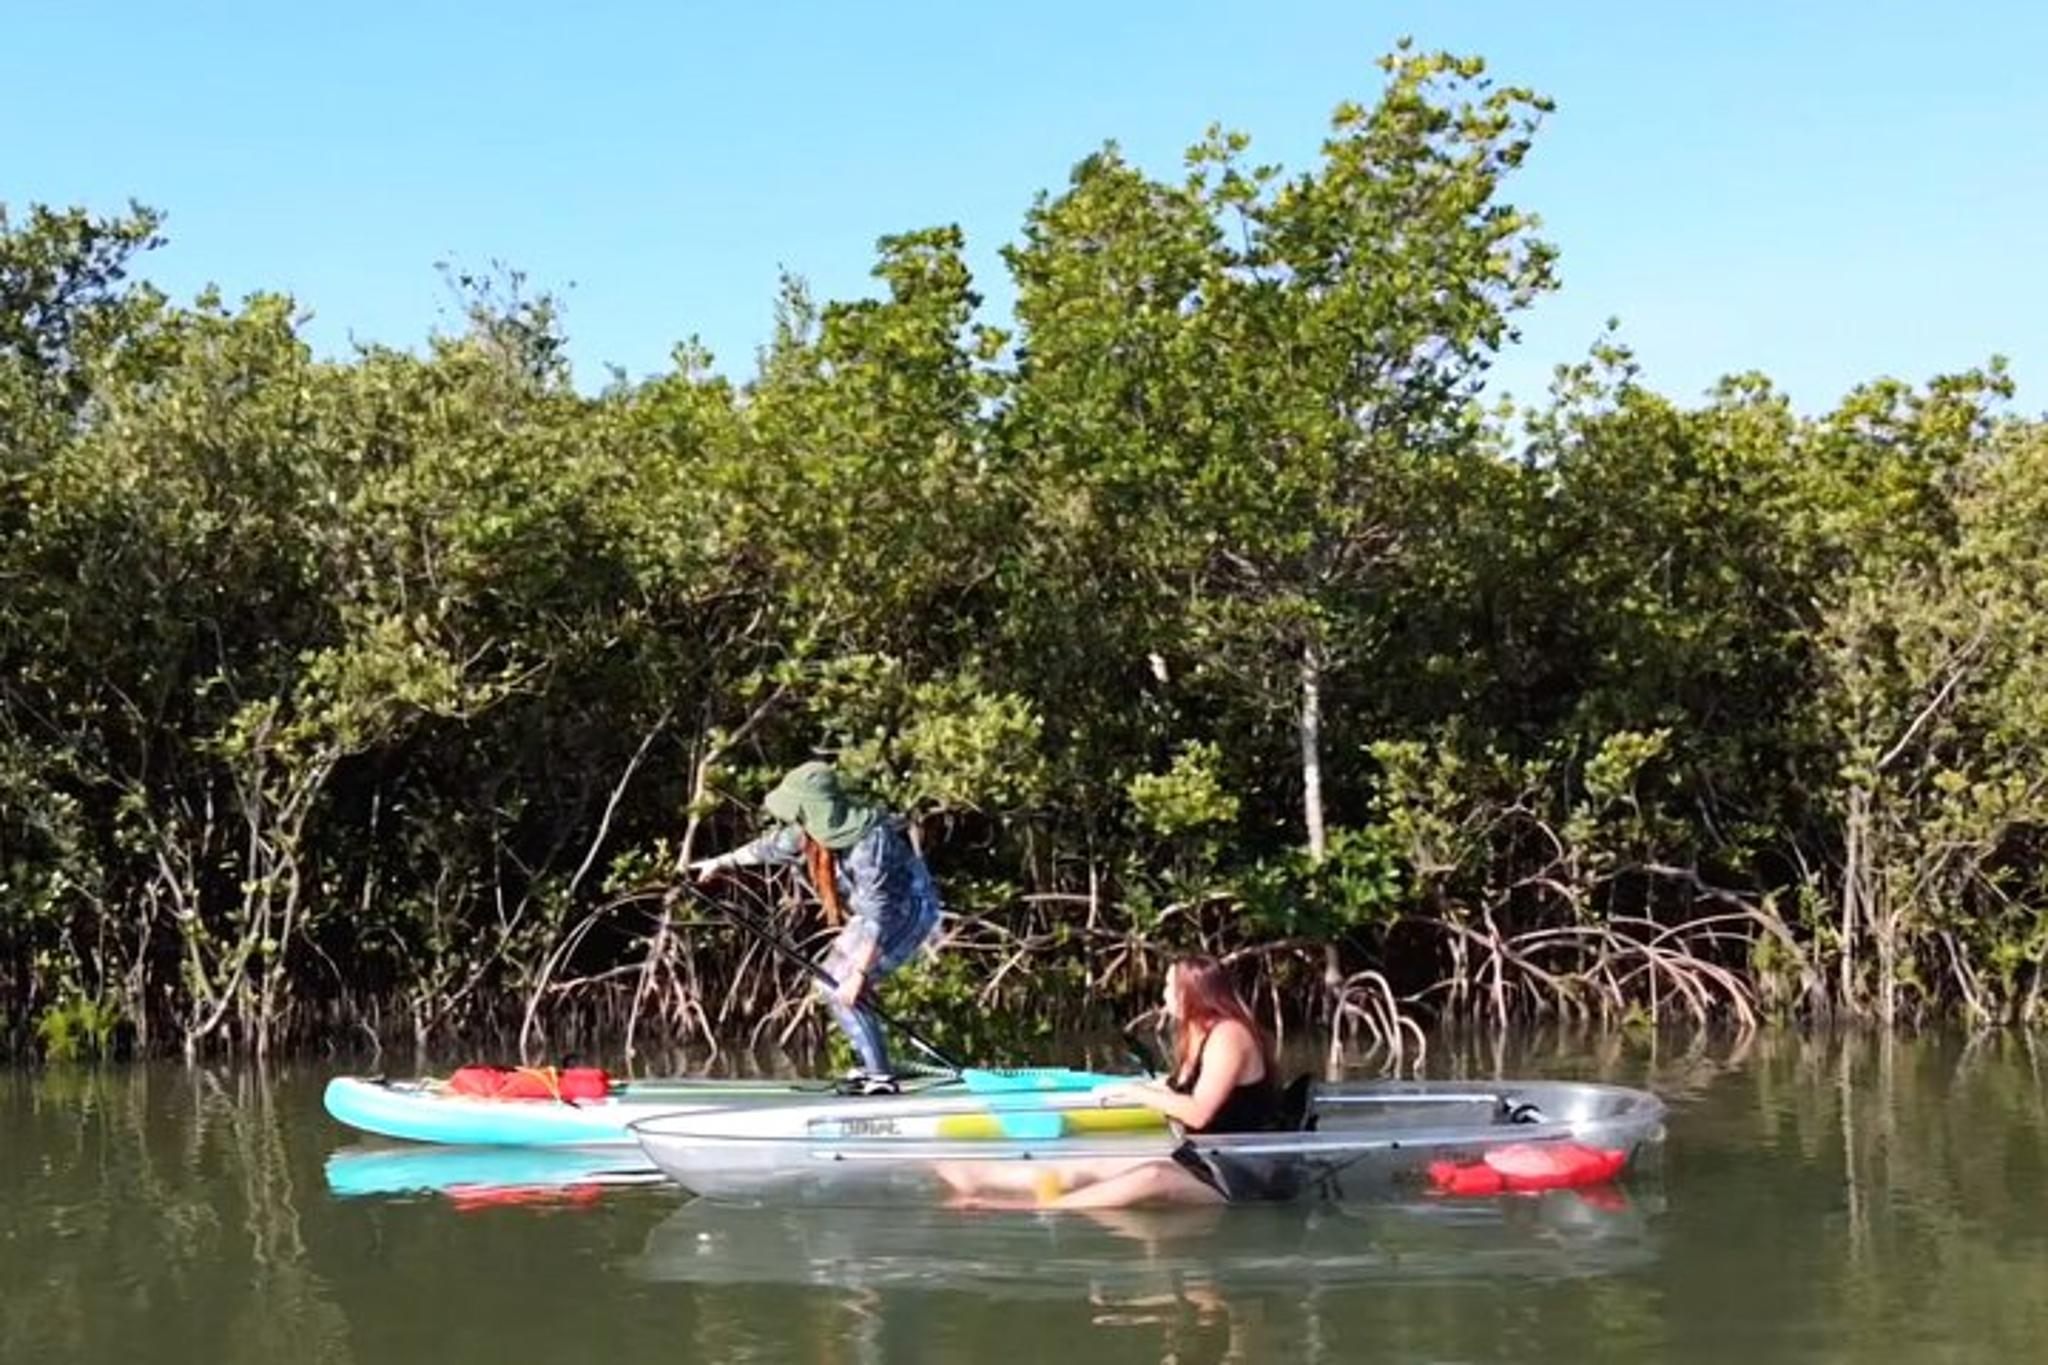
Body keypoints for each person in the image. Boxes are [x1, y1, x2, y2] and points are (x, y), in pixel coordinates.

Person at [940, 954, 1292, 1208]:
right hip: (1205, 1158)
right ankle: (983, 1177)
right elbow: (1177, 1089)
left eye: (1170, 987)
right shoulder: (1198, 1035)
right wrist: (1116, 1089)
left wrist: (1137, 1092)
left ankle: (1031, 1207)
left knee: (1151, 1177)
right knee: (1096, 1162)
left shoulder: (1229, 1035)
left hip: (1242, 1173)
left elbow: (1198, 1113)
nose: (1164, 995)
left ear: (1193, 991)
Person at [688, 761, 941, 1092]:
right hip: (873, 916)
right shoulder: (814, 832)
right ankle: (875, 1070)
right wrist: (719, 862)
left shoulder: (870, 842)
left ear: (816, 809)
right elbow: (769, 846)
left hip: (907, 911)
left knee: (844, 985)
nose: (794, 820)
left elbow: (882, 913)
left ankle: (881, 1078)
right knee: (830, 983)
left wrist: (860, 975)